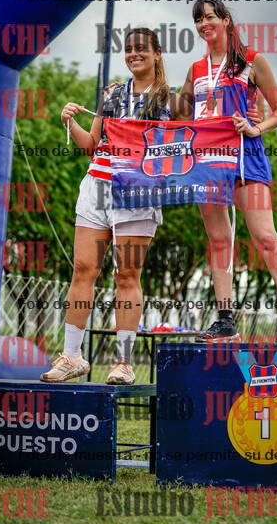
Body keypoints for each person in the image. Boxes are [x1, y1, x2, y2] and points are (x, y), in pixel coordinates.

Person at [41, 27, 177, 385]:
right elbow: (91, 144)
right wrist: (70, 122)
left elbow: (187, 147)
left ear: (157, 53)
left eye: (141, 48)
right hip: (96, 186)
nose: (134, 54)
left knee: (126, 276)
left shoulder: (171, 100)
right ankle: (72, 356)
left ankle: (124, 362)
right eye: (128, 49)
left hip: (137, 192)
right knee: (83, 269)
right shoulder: (112, 93)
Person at [178, 0, 277, 343]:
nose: (204, 24)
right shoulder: (195, 69)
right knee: (219, 241)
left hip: (246, 158)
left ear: (226, 20)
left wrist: (258, 127)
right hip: (208, 163)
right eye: (198, 20)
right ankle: (225, 320)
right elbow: (179, 115)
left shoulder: (252, 60)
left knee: (265, 237)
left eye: (210, 17)